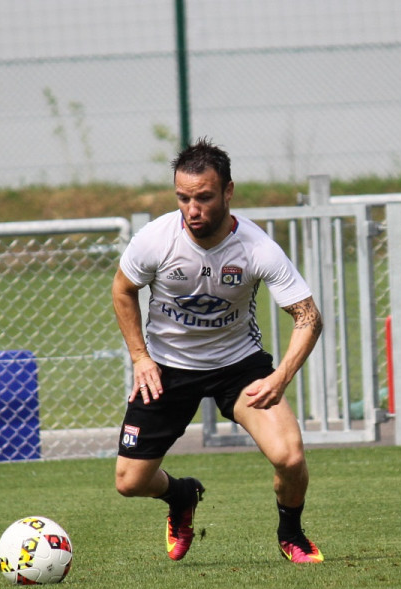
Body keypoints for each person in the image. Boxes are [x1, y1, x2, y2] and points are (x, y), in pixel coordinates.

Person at [111, 138, 324, 563]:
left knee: (290, 455)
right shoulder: (155, 239)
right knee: (130, 482)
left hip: (238, 367)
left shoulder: (257, 248)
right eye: (184, 198)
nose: (193, 209)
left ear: (228, 191)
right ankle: (182, 494)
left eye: (204, 197)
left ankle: (292, 533)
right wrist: (140, 357)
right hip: (167, 368)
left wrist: (279, 377)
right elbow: (122, 290)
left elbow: (308, 317)